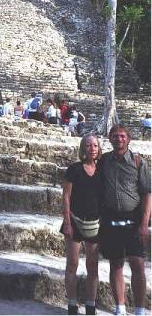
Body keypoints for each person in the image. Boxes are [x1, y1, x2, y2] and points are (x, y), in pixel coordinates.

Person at [98, 124, 151, 315]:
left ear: (128, 139)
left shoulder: (138, 162)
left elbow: (147, 193)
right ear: (110, 138)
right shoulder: (104, 161)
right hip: (111, 217)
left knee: (137, 263)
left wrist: (145, 222)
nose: (118, 139)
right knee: (116, 263)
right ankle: (120, 307)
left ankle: (139, 309)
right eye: (115, 136)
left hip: (134, 219)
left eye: (122, 136)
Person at [60, 134, 102, 315]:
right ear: (82, 148)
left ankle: (91, 305)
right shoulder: (74, 169)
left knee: (93, 266)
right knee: (72, 264)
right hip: (75, 221)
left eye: (95, 145)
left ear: (99, 149)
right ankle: (72, 304)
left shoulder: (104, 169)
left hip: (96, 223)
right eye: (88, 145)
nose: (92, 148)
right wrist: (67, 222)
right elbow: (66, 196)